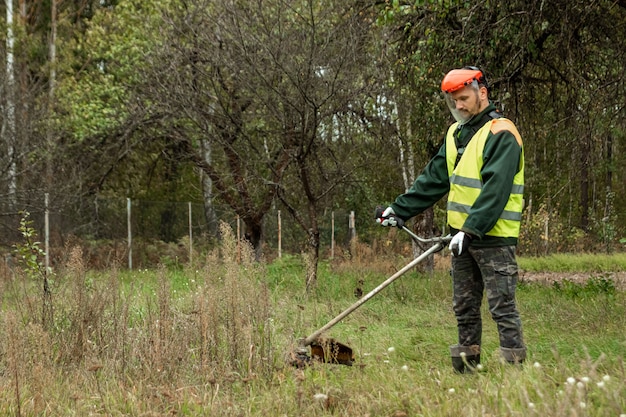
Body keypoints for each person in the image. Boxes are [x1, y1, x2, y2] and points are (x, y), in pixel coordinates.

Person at [377, 66, 526, 373]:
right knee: (464, 306)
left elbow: (496, 191)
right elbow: (432, 180)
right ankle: (466, 369)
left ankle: (515, 371)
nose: (458, 106)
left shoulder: (502, 133)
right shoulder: (455, 134)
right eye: (453, 101)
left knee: (502, 306)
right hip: (462, 238)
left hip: (493, 238)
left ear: (481, 93)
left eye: (463, 99)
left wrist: (471, 229)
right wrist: (399, 209)